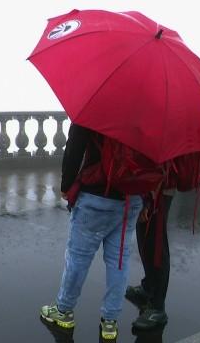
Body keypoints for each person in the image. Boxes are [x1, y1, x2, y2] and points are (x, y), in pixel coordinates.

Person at [40, 123, 143, 341]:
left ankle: (64, 310)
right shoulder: (146, 109)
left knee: (78, 257)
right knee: (119, 261)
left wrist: (67, 185)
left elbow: (74, 148)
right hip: (131, 197)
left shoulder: (95, 107)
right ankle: (110, 322)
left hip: (96, 196)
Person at [126, 188, 175, 330]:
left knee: (155, 244)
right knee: (146, 240)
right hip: (151, 189)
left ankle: (157, 307)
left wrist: (148, 199)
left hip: (159, 189)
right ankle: (148, 287)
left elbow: (160, 166)